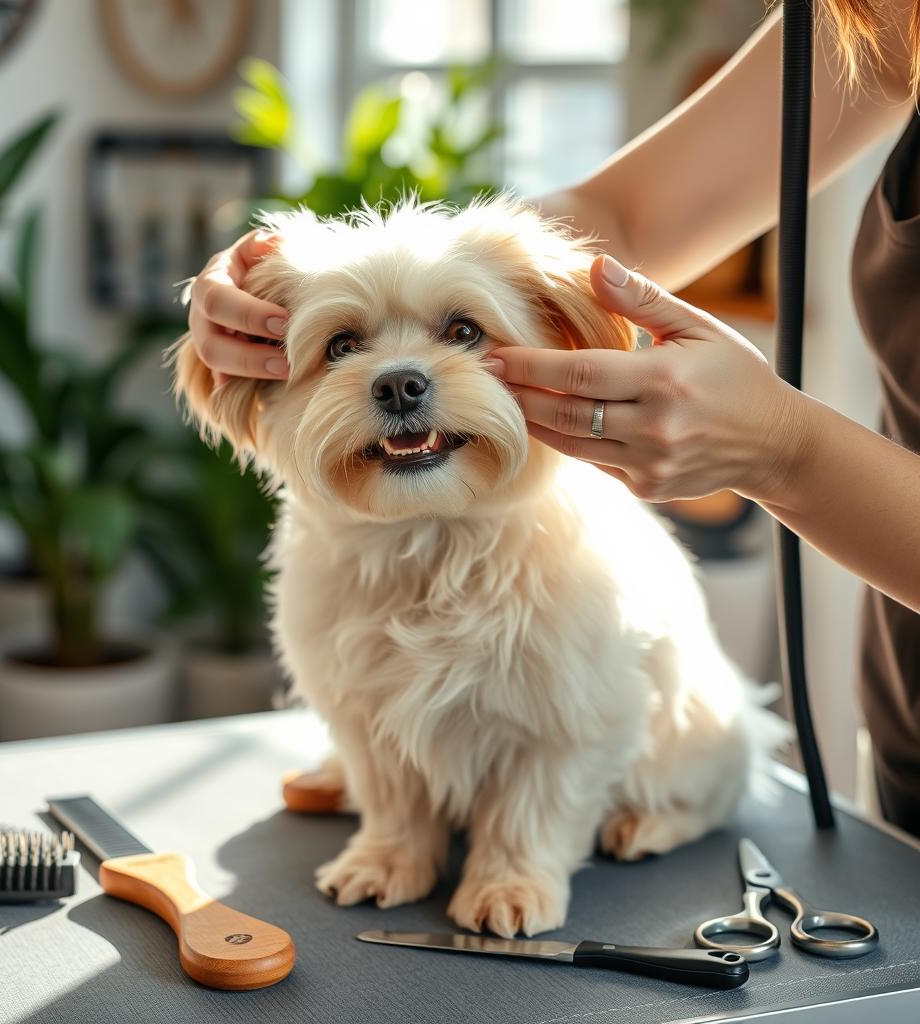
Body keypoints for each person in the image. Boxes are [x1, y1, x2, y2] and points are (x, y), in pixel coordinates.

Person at [185, 2, 920, 835]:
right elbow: (627, 226)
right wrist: (259, 297)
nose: (399, 378)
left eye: (459, 335)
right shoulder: (885, 15)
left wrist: (787, 450)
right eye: (346, 346)